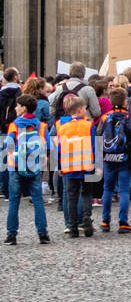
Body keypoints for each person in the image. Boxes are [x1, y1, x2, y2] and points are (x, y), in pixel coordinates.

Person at [5, 94, 51, 245]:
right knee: (37, 200)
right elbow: (48, 147)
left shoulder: (14, 125)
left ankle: (11, 235)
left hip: (16, 166)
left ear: (24, 108)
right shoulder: (41, 126)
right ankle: (43, 234)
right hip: (35, 166)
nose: (15, 108)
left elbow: (8, 144)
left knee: (14, 200)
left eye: (17, 105)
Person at [55, 94, 97, 239]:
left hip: (69, 166)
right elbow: (93, 144)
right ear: (79, 110)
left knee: (71, 197)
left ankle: (72, 227)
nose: (86, 111)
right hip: (86, 164)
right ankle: (86, 216)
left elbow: (59, 148)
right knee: (86, 193)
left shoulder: (62, 126)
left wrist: (59, 165)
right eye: (85, 108)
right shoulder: (89, 124)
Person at [98, 88, 131, 234]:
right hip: (124, 157)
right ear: (125, 101)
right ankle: (123, 222)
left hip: (108, 157)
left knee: (107, 189)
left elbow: (99, 135)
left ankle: (105, 221)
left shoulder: (105, 117)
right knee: (124, 190)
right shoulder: (128, 116)